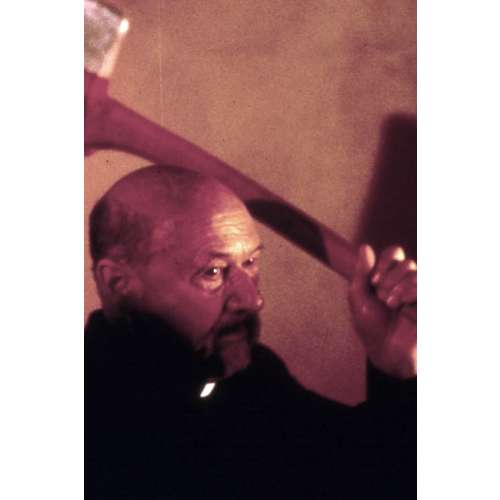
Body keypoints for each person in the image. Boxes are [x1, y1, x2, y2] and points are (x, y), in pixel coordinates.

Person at [85, 165, 416, 500]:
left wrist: (396, 368)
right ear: (117, 282)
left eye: (250, 263)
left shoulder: (247, 375)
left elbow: (370, 475)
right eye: (212, 272)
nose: (253, 300)